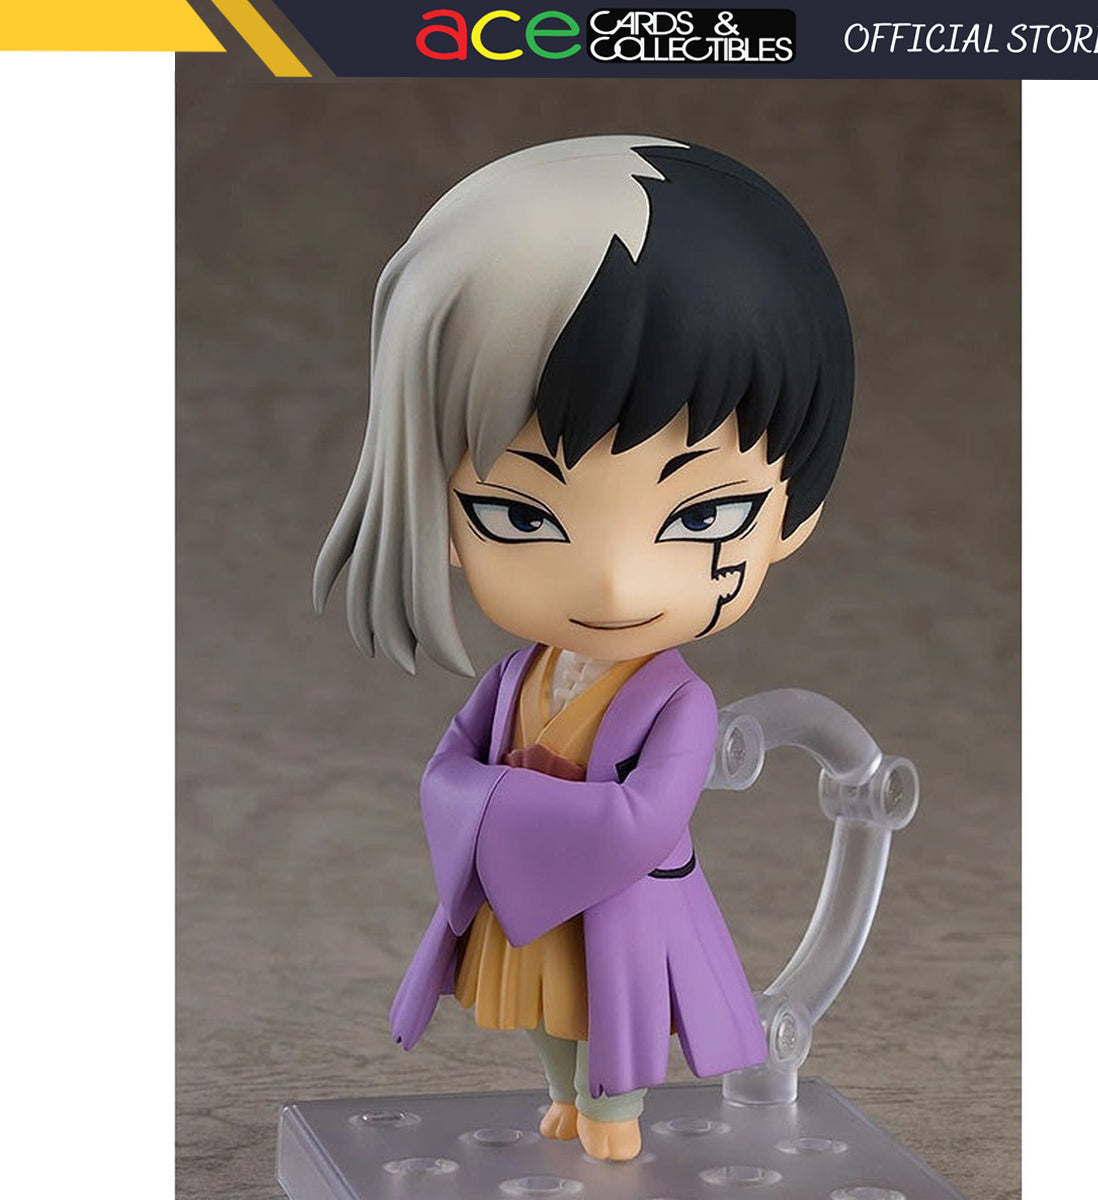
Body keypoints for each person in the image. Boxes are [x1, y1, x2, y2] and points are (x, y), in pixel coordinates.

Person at [314, 134, 854, 1160]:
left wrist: (501, 810)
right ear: (438, 513)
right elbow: (444, 770)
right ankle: (567, 1098)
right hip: (533, 899)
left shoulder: (677, 703)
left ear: (792, 512)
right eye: (522, 516)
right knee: (540, 1006)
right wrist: (505, 809)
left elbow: (643, 818)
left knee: (614, 1012)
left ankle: (614, 1112)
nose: (613, 584)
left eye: (704, 516)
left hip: (621, 902)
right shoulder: (515, 676)